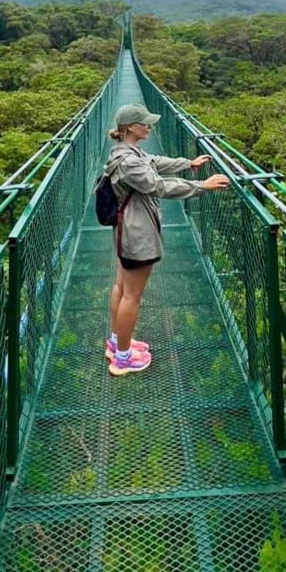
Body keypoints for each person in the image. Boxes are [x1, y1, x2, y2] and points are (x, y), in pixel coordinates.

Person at [102, 103, 230, 376]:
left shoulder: (125, 152)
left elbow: (154, 162)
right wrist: (201, 186)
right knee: (132, 295)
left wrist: (187, 164)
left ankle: (117, 343)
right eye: (144, 123)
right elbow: (158, 185)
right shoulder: (130, 162)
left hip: (127, 230)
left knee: (121, 287)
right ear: (129, 128)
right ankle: (123, 359)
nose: (149, 127)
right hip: (137, 233)